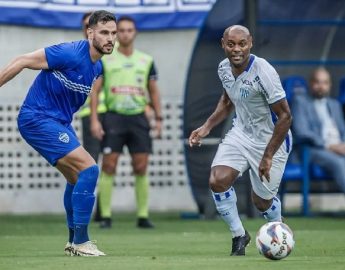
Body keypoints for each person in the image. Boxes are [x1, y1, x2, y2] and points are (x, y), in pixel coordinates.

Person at [0, 10, 117, 256]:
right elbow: (21, 60)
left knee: (75, 179)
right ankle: (83, 242)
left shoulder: (97, 68)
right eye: (104, 32)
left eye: (113, 33)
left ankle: (73, 242)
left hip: (59, 123)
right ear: (90, 33)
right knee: (90, 169)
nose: (110, 38)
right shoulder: (69, 52)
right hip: (37, 119)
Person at [188, 25, 292, 256]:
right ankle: (239, 236)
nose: (237, 49)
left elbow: (285, 116)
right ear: (223, 44)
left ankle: (279, 230)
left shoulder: (263, 71)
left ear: (250, 43)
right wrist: (206, 127)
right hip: (240, 134)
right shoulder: (223, 68)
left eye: (242, 44)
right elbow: (228, 101)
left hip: (271, 140)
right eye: (231, 44)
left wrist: (267, 156)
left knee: (261, 203)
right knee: (218, 180)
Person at [90, 16, 162, 229]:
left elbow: (154, 92)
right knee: (109, 165)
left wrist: (159, 118)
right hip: (114, 117)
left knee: (141, 166)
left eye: (129, 30)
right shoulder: (106, 59)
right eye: (120, 30)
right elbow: (95, 91)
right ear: (116, 33)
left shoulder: (146, 60)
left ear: (135, 33)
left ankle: (142, 216)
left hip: (139, 118)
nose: (125, 34)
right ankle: (105, 216)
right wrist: (94, 119)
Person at [291, 67, 345, 193]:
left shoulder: (335, 104)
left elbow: (342, 130)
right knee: (339, 162)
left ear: (330, 85)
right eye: (317, 82)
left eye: (325, 83)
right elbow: (302, 131)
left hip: (339, 147)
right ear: (310, 83)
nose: (321, 86)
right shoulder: (300, 102)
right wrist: (331, 146)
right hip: (313, 149)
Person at [78, 12, 108, 222]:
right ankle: (88, 212)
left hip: (108, 114)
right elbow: (92, 93)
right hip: (90, 115)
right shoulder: (78, 52)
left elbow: (99, 90)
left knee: (108, 165)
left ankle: (102, 212)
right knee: (90, 165)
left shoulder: (102, 54)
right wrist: (95, 119)